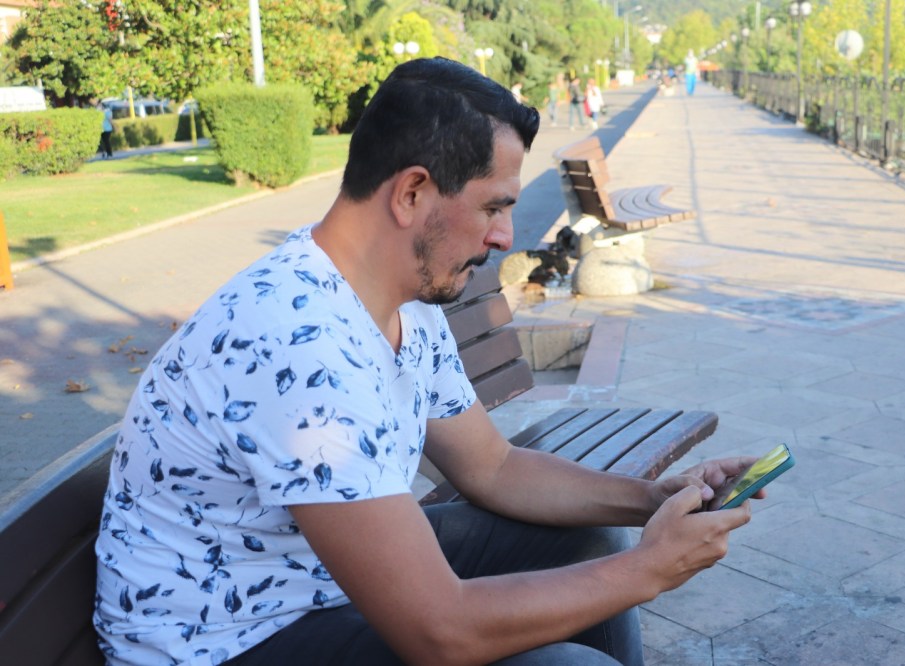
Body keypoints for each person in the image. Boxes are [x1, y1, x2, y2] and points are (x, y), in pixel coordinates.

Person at [93, 56, 758, 666]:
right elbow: (441, 633)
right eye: (493, 207)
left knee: (587, 542)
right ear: (412, 193)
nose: (504, 236)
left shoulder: (405, 304)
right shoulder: (294, 344)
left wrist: (650, 500)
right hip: (225, 642)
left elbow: (493, 467)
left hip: (308, 586)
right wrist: (648, 571)